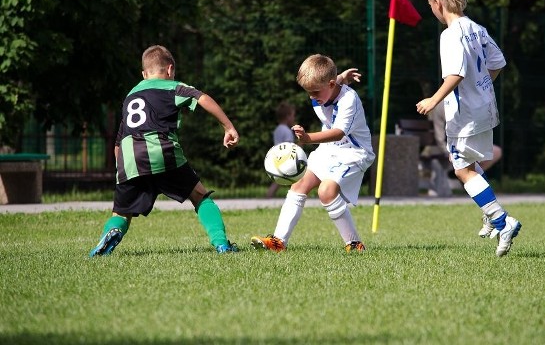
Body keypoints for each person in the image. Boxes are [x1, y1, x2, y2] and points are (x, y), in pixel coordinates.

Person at [89, 45, 240, 257]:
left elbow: (118, 142)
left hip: (129, 158)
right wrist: (228, 127)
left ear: (144, 74)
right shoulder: (172, 87)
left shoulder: (131, 95)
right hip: (161, 150)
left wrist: (121, 172)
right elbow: (202, 98)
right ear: (169, 70)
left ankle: (110, 233)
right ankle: (222, 244)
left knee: (122, 213)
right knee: (200, 196)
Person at [416, 0, 522, 257]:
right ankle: (490, 215)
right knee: (470, 163)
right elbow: (498, 62)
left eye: (429, 5)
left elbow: (455, 74)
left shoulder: (450, 35)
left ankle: (502, 220)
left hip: (464, 114)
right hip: (485, 109)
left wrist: (433, 100)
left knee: (461, 169)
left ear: (437, 3)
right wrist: (483, 85)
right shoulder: (477, 28)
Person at [250, 56, 374, 253]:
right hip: (330, 149)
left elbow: (339, 132)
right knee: (299, 184)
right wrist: (342, 76)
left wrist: (308, 138)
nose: (312, 97)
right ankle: (278, 242)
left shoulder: (349, 99)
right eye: (308, 93)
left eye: (315, 92)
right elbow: (334, 84)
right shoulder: (328, 88)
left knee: (326, 191)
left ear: (331, 84)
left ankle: (354, 244)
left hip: (354, 153)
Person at [266, 102, 297, 198]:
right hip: (285, 159)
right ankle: (297, 196)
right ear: (288, 117)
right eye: (293, 116)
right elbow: (289, 146)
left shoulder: (278, 129)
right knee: (297, 178)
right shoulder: (287, 131)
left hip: (277, 157)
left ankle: (268, 197)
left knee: (279, 181)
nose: (294, 118)